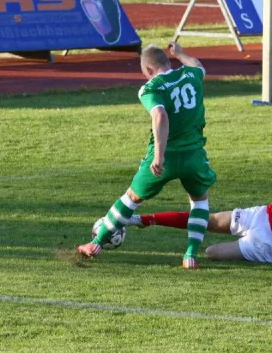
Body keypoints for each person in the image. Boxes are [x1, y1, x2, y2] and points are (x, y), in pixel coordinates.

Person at [76, 42, 216, 270]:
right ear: (168, 62)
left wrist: (159, 156)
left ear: (149, 70)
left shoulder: (150, 88)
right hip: (194, 155)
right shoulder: (192, 74)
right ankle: (190, 255)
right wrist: (180, 53)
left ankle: (95, 244)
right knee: (199, 200)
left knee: (131, 198)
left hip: (166, 156)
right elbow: (198, 64)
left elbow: (160, 115)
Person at [128, 147, 272, 270]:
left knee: (211, 253)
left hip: (268, 243)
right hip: (263, 214)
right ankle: (144, 219)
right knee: (207, 220)